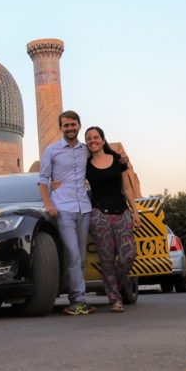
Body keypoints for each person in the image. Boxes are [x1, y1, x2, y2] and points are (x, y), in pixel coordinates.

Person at [38, 110, 96, 315]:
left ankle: (77, 298)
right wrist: (48, 204)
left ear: (79, 125)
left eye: (73, 124)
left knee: (79, 256)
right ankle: (78, 300)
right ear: (60, 128)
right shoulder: (52, 151)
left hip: (84, 208)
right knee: (72, 253)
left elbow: (103, 159)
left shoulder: (85, 150)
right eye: (66, 125)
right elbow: (43, 179)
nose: (70, 128)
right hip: (62, 208)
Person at [84, 126, 140, 313]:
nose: (93, 140)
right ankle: (115, 298)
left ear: (102, 139)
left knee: (128, 254)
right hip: (99, 214)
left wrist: (135, 211)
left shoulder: (118, 160)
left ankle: (114, 285)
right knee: (106, 259)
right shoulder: (85, 164)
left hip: (121, 212)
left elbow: (127, 188)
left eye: (96, 137)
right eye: (89, 138)